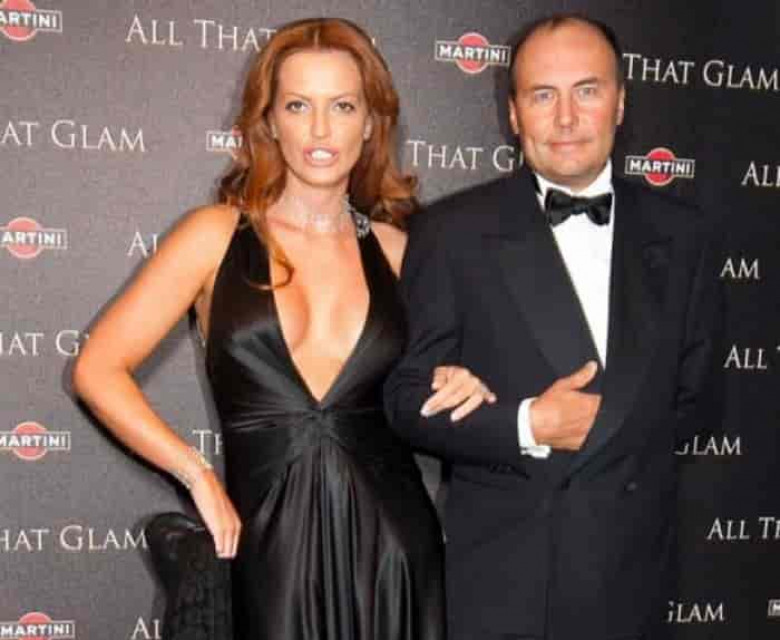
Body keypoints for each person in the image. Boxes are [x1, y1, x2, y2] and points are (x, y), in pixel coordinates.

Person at [72, 18, 496, 640]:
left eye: (343, 106)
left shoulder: (402, 252)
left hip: (395, 555)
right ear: (269, 121)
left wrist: (461, 379)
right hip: (266, 555)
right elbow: (97, 370)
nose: (320, 131)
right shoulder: (213, 236)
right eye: (299, 106)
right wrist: (196, 475)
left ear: (371, 122)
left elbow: (442, 389)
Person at [385, 13, 723, 640]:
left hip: (634, 576)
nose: (566, 118)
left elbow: (695, 402)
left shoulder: (684, 234)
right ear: (514, 113)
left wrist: (617, 430)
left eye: (586, 90)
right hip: (507, 582)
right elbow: (406, 403)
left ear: (620, 103)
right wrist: (527, 424)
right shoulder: (451, 232)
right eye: (543, 95)